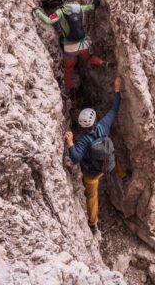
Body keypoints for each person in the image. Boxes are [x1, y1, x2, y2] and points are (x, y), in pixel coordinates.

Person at [65, 76, 127, 234]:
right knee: (112, 152)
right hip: (108, 164)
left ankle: (93, 225)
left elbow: (76, 158)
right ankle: (123, 175)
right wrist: (117, 89)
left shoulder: (84, 141)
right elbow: (114, 109)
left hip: (92, 174)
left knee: (92, 198)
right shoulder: (103, 127)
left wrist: (71, 142)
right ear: (95, 121)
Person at [33, 0, 113, 92]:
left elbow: (47, 21)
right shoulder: (81, 8)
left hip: (70, 47)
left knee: (69, 68)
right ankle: (102, 62)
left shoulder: (60, 11)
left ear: (64, 1)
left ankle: (68, 90)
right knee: (89, 58)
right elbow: (95, 5)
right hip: (83, 43)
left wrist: (35, 9)